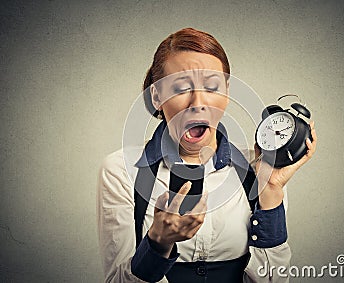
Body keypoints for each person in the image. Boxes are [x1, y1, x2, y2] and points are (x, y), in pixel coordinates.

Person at [97, 27, 317, 283]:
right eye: (181, 88)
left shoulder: (257, 169)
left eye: (212, 87)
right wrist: (158, 244)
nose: (198, 102)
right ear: (157, 96)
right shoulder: (122, 170)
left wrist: (271, 193)